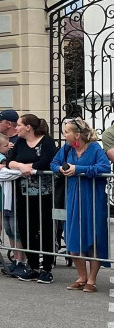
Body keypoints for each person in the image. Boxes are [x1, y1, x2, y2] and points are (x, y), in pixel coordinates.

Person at [53, 118, 111, 293]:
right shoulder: (67, 149)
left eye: (66, 132)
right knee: (73, 237)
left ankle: (92, 280)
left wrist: (79, 169)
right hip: (72, 197)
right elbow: (54, 163)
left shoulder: (94, 148)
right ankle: (81, 276)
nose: (64, 135)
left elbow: (104, 166)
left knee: (94, 237)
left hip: (93, 198)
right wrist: (60, 170)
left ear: (77, 134)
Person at [5, 114, 59, 283]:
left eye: (19, 125)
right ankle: (33, 265)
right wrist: (21, 166)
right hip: (23, 193)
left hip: (44, 194)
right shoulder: (20, 142)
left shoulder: (46, 141)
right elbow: (9, 161)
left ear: (28, 127)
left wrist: (30, 168)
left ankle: (47, 268)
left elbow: (46, 162)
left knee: (46, 229)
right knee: (26, 228)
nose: (16, 128)